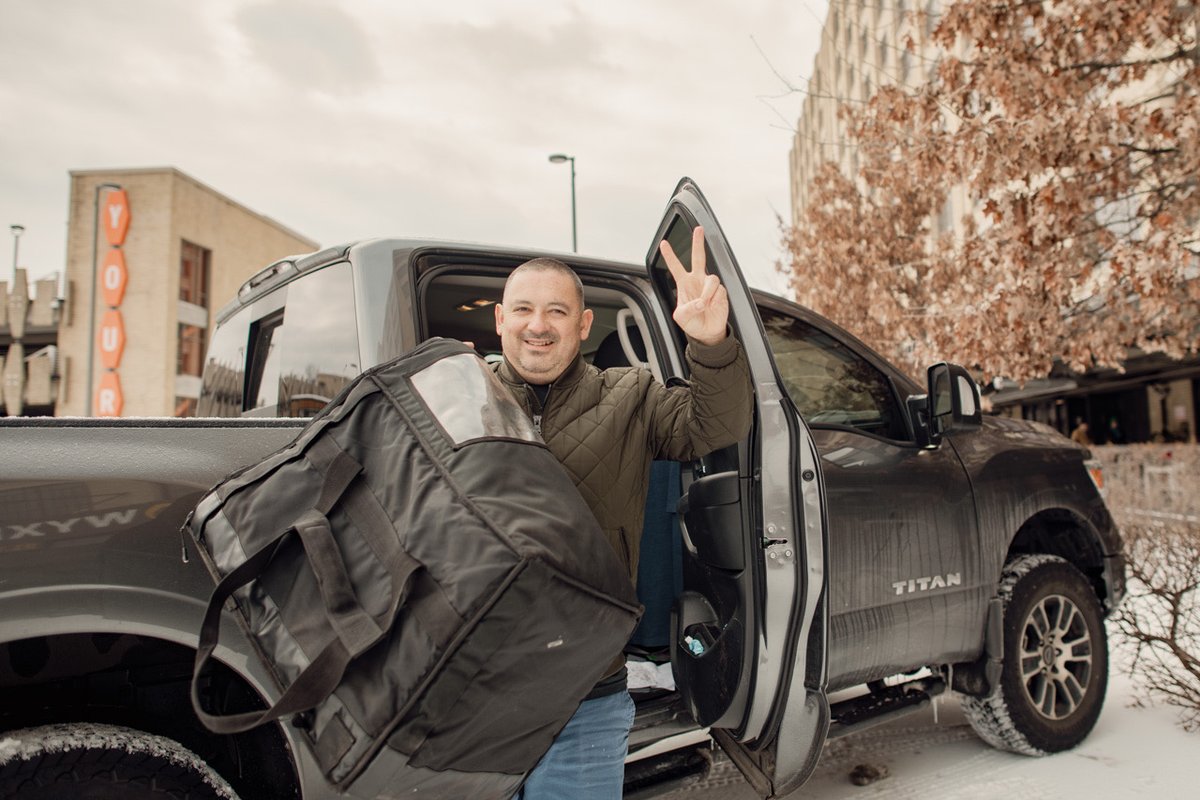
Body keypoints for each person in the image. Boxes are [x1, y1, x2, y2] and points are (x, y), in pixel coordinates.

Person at [492, 226, 752, 800]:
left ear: (584, 325)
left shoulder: (629, 395)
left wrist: (711, 344)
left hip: (587, 693)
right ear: (501, 319)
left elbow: (716, 427)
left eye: (557, 311)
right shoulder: (457, 396)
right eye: (524, 309)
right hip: (471, 696)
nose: (538, 325)